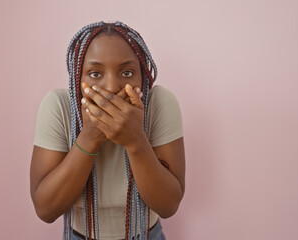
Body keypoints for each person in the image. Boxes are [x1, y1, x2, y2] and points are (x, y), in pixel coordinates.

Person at [30, 21, 185, 240]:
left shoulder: (160, 104)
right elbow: (45, 209)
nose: (112, 87)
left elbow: (168, 206)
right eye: (95, 74)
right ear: (77, 79)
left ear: (143, 77)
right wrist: (90, 136)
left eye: (127, 72)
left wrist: (135, 140)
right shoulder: (58, 106)